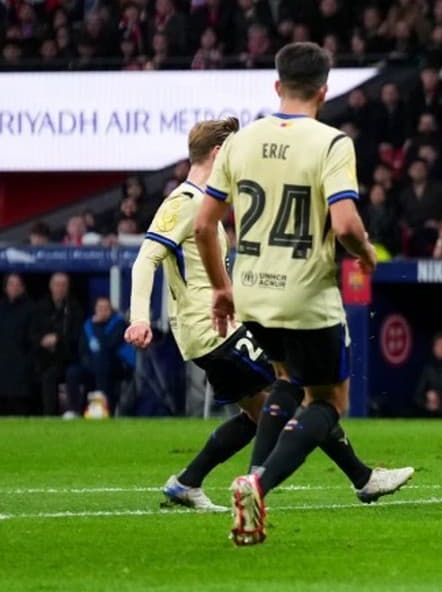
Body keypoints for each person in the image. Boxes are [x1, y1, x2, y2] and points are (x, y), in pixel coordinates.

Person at [194, 42, 413, 545]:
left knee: (285, 379)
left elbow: (205, 225)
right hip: (306, 295)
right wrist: (365, 253)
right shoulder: (332, 143)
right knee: (328, 401)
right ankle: (258, 482)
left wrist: (222, 288)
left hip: (252, 292)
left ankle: (248, 479)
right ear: (324, 90)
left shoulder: (239, 143)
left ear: (277, 85)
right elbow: (344, 222)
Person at [125, 118, 280, 511]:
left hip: (218, 326)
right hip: (211, 330)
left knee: (260, 412)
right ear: (217, 154)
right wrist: (139, 317)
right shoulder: (185, 202)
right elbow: (145, 260)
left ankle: (187, 483)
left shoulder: (204, 201)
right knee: (291, 391)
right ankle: (361, 477)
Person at [65, 297, 131, 417]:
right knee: (72, 372)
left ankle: (103, 407)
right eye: (100, 308)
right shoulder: (88, 326)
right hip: (90, 366)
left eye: (106, 308)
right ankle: (73, 410)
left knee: (103, 360)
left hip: (113, 366)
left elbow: (109, 345)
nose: (103, 311)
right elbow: (82, 350)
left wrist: (98, 326)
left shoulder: (118, 324)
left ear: (111, 310)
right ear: (95, 309)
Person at [29, 272, 83, 415]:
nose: (60, 288)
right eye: (57, 285)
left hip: (68, 357)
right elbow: (32, 333)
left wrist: (58, 339)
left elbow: (76, 335)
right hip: (44, 358)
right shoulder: (40, 307)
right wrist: (42, 340)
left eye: (64, 285)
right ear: (51, 286)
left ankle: (74, 412)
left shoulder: (74, 308)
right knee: (44, 374)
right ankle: (48, 415)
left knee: (71, 373)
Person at [0, 273, 33, 415]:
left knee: (19, 401)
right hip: (2, 357)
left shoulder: (31, 308)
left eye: (17, 284)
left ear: (23, 288)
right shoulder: (1, 307)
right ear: (5, 287)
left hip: (21, 359)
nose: (14, 287)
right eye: (11, 284)